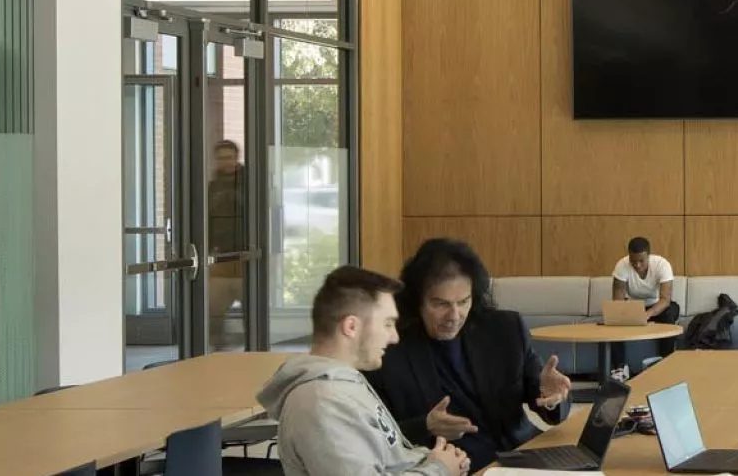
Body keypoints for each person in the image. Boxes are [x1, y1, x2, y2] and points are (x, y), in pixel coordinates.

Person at [369, 238, 572, 473]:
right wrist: (426, 426)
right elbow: (374, 436)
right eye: (440, 304)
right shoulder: (388, 350)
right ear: (417, 302)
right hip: (460, 466)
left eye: (463, 301)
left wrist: (553, 396)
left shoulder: (504, 329)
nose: (454, 316)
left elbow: (546, 404)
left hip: (524, 455)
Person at [257, 264, 472, 476]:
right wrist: (439, 470)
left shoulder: (344, 385)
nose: (394, 337)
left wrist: (434, 459)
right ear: (351, 327)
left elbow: (390, 461)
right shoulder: (323, 404)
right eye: (387, 324)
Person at [207, 139, 247, 350]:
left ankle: (254, 348)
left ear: (236, 158)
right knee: (214, 309)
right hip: (220, 256)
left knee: (251, 309)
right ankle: (217, 350)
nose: (225, 162)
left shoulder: (249, 184)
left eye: (229, 157)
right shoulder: (212, 187)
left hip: (246, 256)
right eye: (221, 158)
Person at [610, 235, 680, 325]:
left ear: (648, 256)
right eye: (633, 261)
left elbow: (665, 300)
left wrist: (647, 314)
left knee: (670, 313)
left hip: (657, 306)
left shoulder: (662, 265)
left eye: (641, 261)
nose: (637, 265)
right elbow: (618, 301)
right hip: (633, 307)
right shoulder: (622, 265)